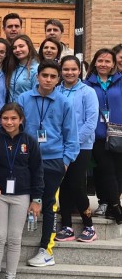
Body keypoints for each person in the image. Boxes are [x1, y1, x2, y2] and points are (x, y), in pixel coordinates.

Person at [17, 60, 79, 267]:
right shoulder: (24, 99)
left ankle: (46, 250)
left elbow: (72, 135)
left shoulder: (64, 102)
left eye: (53, 76)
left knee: (49, 204)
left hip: (54, 160)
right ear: (38, 77)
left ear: (58, 79)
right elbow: (14, 128)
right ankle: (16, 243)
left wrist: (66, 162)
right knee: (23, 199)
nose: (49, 80)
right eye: (45, 76)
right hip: (26, 159)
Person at [0, 104, 44, 279]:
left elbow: (37, 170)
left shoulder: (29, 141)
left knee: (15, 238)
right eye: (5, 118)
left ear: (21, 120)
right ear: (0, 119)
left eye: (13, 119)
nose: (9, 122)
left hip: (22, 195)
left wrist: (36, 199)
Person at [56, 56, 99, 242]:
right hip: (60, 146)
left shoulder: (87, 92)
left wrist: (74, 142)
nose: (69, 73)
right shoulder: (56, 91)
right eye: (66, 69)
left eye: (73, 69)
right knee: (63, 185)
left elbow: (91, 122)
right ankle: (66, 226)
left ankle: (89, 225)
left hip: (82, 146)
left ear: (79, 70)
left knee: (76, 185)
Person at [84, 48, 122, 223]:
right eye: (100, 61)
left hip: (118, 134)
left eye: (107, 61)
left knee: (117, 171)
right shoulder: (87, 84)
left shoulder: (120, 81)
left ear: (114, 64)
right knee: (104, 169)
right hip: (97, 134)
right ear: (94, 62)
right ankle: (113, 205)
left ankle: (109, 203)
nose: (103, 64)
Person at [7, 35, 38, 103]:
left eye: (21, 46)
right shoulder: (12, 67)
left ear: (29, 47)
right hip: (11, 110)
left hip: (26, 110)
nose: (17, 50)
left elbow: (36, 95)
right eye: (14, 48)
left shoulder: (36, 69)